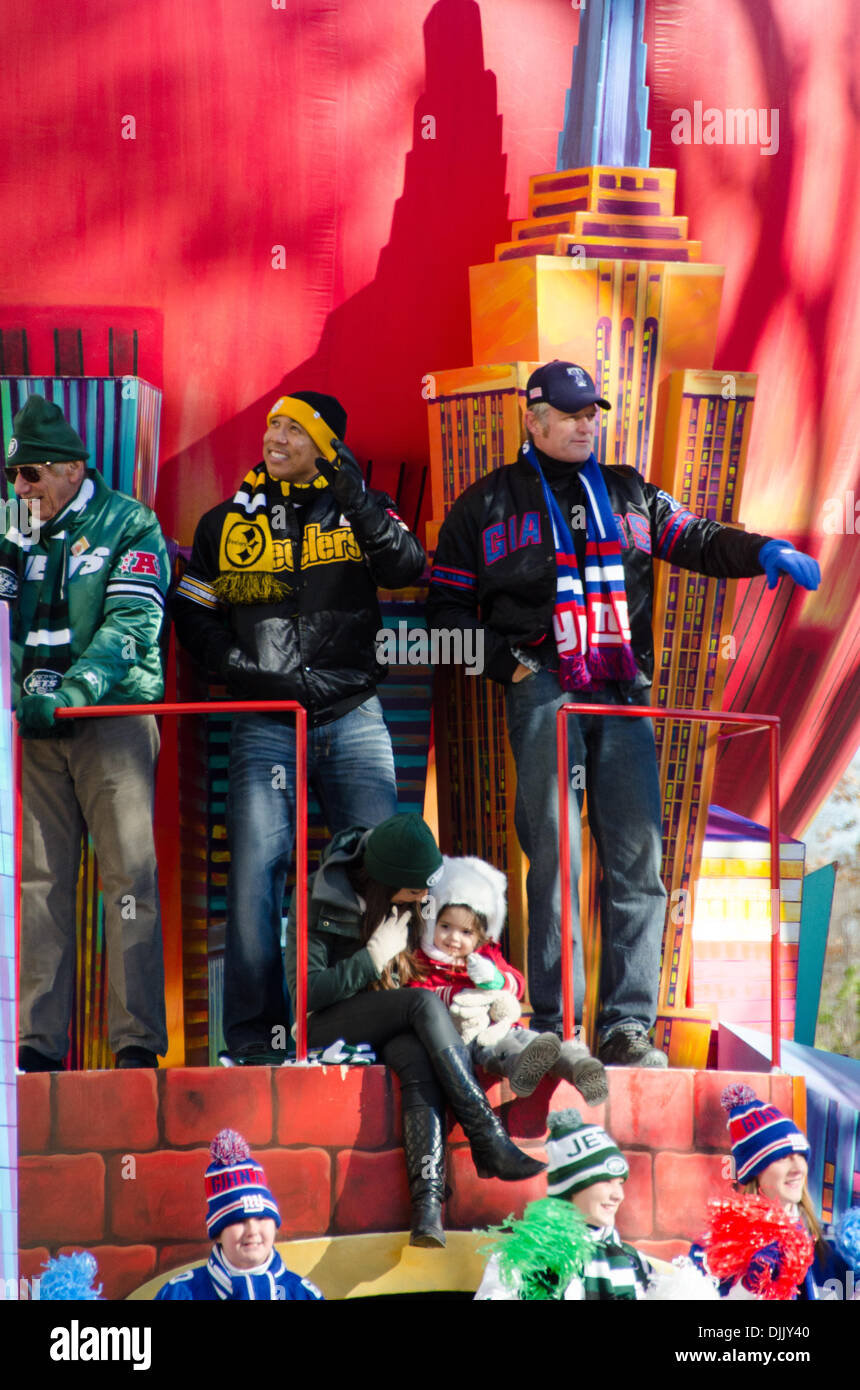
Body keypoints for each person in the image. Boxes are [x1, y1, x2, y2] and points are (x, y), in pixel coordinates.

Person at [426, 360, 821, 1067]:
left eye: (594, 413)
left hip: (622, 687)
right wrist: (508, 666)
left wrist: (763, 549)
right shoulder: (484, 504)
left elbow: (696, 538)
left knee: (639, 863)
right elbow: (443, 614)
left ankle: (626, 1027)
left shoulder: (629, 490)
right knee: (555, 856)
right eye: (573, 414)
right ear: (534, 418)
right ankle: (550, 1023)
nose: (586, 424)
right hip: (544, 685)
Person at [173, 391, 425, 1064]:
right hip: (266, 717)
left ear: (326, 444)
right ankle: (255, 1042)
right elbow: (191, 610)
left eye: (293, 427)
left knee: (381, 869)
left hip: (352, 711)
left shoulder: (360, 511)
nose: (274, 436)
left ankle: (362, 1029)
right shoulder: (224, 522)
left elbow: (407, 566)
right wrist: (234, 664)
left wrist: (352, 489)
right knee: (258, 872)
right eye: (271, 425)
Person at [284, 813, 546, 1251]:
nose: (426, 897)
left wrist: (491, 982)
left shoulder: (409, 897)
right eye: (416, 889)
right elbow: (304, 993)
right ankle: (487, 1135)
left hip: (393, 1019)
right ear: (387, 881)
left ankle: (427, 1207)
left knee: (415, 1054)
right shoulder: (318, 895)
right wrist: (369, 959)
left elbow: (452, 958)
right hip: (325, 1024)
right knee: (420, 1004)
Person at [2, 394, 169, 1072]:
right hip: (37, 731)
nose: (21, 488)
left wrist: (73, 692)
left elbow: (132, 629)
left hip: (111, 722)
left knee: (129, 877)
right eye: (14, 476)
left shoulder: (131, 523)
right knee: (40, 883)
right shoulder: (14, 521)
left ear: (73, 469)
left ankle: (134, 1044)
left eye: (33, 474)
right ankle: (38, 1046)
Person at [409, 855, 608, 1104]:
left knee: (534, 1040)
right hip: (468, 1034)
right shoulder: (423, 960)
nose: (454, 938)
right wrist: (458, 994)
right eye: (445, 926)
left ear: (480, 936)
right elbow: (417, 995)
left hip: (503, 1024)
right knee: (497, 1049)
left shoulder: (486, 955)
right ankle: (519, 1068)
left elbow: (517, 983)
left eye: (466, 932)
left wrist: (495, 980)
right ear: (431, 923)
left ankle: (577, 1066)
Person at [690, 1084, 853, 1300]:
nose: (797, 1168)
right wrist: (747, 1290)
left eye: (800, 1156)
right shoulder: (716, 1249)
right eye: (782, 1158)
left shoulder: (831, 1244)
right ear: (755, 1172)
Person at [475, 1107, 652, 1299]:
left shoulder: (634, 1262)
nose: (618, 1195)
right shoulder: (521, 1259)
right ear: (572, 1187)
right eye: (606, 1182)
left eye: (620, 1183)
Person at [156, 1129, 324, 1300]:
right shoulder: (179, 1293)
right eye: (239, 1220)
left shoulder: (302, 1294)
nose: (252, 1230)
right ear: (218, 1235)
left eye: (261, 1218)